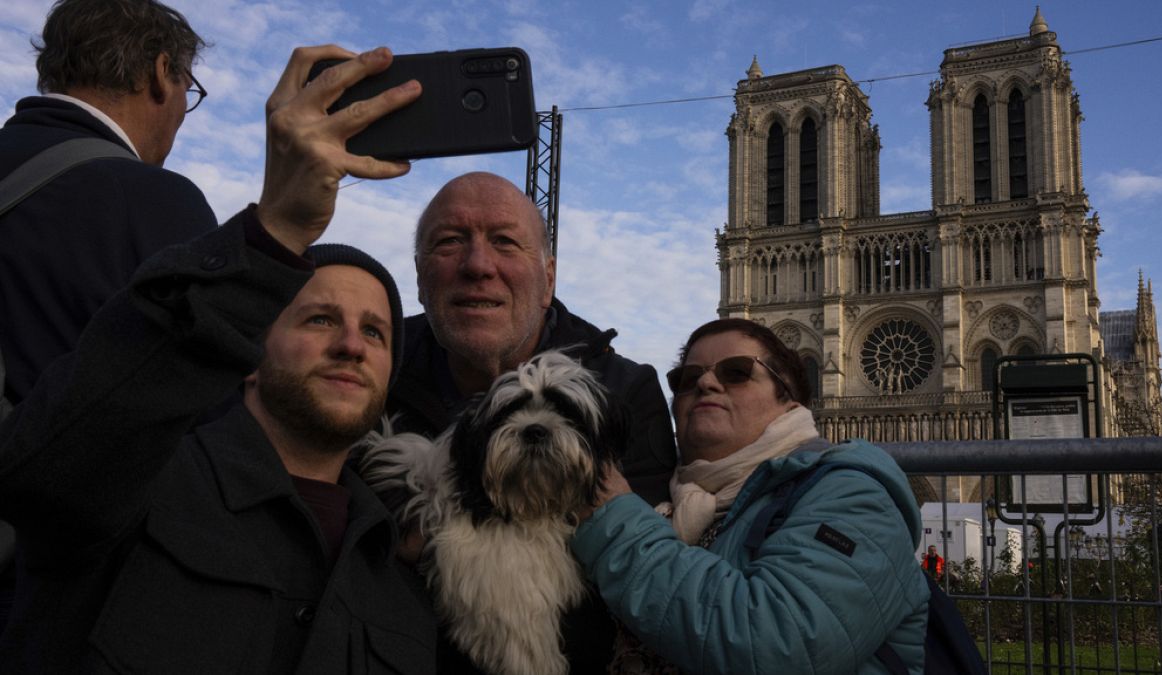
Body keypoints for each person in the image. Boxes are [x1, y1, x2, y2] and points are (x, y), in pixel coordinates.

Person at [0, 45, 435, 673]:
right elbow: (47, 471)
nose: (350, 344)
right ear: (247, 350)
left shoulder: (408, 568)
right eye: (319, 318)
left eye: (376, 333)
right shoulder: (134, 489)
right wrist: (275, 231)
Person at [386, 171, 677, 672]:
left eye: (504, 242)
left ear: (549, 279)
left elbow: (635, 567)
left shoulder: (626, 390)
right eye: (450, 242)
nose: (479, 265)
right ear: (417, 276)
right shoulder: (372, 364)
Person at [0, 0, 217, 630]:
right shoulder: (155, 203)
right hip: (46, 596)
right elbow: (211, 412)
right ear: (158, 74)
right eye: (187, 89)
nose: (182, 113)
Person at [573, 318, 930, 674]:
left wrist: (616, 521)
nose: (705, 382)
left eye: (736, 372)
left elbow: (780, 646)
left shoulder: (855, 498)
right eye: (686, 378)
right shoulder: (660, 499)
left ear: (790, 401)